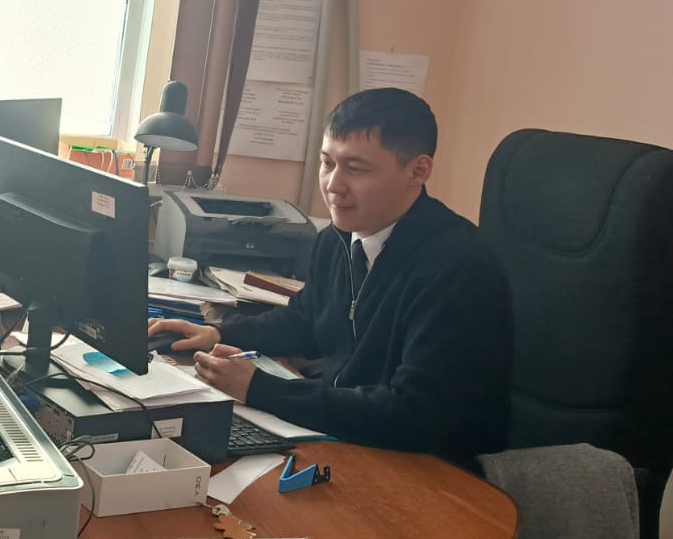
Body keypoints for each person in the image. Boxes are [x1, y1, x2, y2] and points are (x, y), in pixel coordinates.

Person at [149, 88, 511, 462]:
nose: (334, 186)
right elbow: (307, 321)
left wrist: (260, 389)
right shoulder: (337, 238)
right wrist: (220, 333)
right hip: (349, 431)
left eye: (356, 169)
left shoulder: (457, 268)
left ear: (417, 171)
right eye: (327, 163)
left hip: (431, 463)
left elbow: (415, 414)